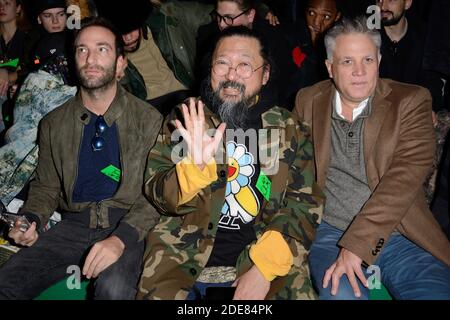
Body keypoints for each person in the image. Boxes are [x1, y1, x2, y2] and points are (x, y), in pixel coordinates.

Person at [137, 26, 324, 300]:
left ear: (266, 75)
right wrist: (193, 169)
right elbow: (157, 193)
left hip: (261, 257)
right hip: (180, 257)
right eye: (222, 63)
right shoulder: (187, 117)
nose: (231, 75)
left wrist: (263, 269)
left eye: (245, 65)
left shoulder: (289, 129)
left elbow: (305, 205)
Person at [0, 17, 163, 300]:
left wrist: (120, 240)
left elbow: (155, 194)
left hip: (127, 225)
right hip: (74, 225)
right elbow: (46, 187)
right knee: (6, 283)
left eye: (102, 49)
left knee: (114, 289)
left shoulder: (148, 119)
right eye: (82, 50)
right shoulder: (53, 123)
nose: (90, 58)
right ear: (74, 61)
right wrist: (31, 219)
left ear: (121, 64)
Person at [294, 16, 450, 300]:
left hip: (400, 231)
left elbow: (402, 180)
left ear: (379, 60)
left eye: (367, 60)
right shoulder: (308, 100)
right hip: (331, 232)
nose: (359, 72)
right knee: (341, 294)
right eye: (347, 62)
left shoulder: (411, 101)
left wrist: (358, 245)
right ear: (330, 67)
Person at [196, 0, 296, 108]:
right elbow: (205, 82)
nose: (221, 24)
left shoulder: (274, 41)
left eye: (229, 18)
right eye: (218, 16)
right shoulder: (208, 37)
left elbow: (282, 86)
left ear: (250, 15)